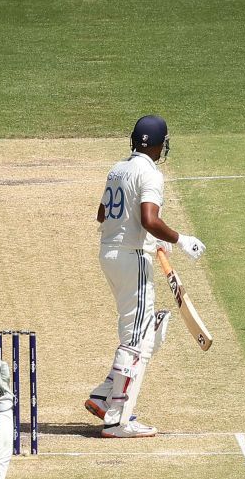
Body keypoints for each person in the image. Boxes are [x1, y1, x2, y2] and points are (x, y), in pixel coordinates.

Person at [86, 115, 204, 438]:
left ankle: (103, 394)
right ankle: (117, 419)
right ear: (155, 144)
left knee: (147, 329)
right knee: (138, 342)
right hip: (131, 259)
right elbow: (149, 218)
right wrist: (180, 239)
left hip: (108, 254)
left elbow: (103, 214)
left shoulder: (118, 168)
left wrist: (153, 238)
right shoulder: (151, 173)